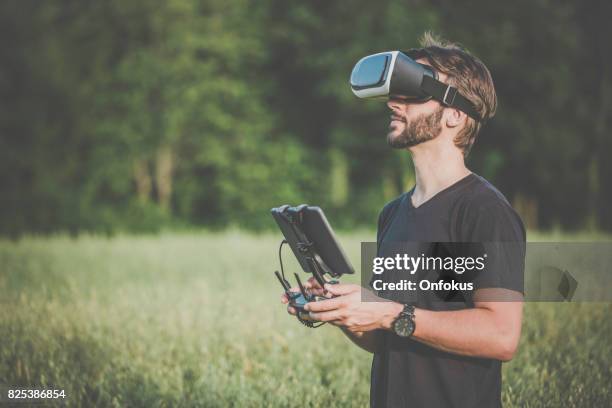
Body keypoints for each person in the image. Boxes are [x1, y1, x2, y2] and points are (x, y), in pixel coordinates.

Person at [281, 33, 525, 408]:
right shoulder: (392, 214)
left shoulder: (484, 210)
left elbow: (501, 335)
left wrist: (387, 312)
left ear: (455, 115)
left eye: (414, 93)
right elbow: (388, 335)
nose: (394, 102)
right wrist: (345, 311)